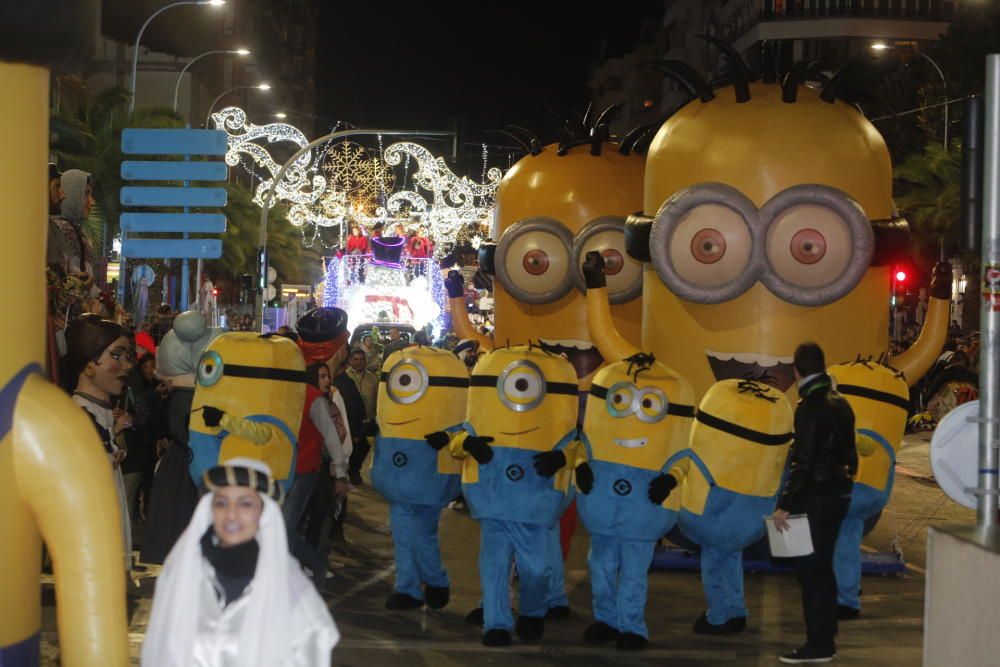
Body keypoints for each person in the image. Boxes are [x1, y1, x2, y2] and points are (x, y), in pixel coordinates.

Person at [142, 458, 340, 666]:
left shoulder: (291, 589)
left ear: (263, 513)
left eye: (245, 503)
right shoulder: (183, 575)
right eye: (221, 503)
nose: (231, 514)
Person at [774, 342, 856, 664]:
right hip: (839, 494)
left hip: (816, 499)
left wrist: (785, 503)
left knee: (811, 572)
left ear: (796, 371)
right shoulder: (841, 403)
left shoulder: (809, 407)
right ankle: (826, 636)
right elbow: (851, 454)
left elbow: (802, 462)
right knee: (823, 568)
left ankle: (819, 645)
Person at [65, 315, 134, 573]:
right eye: (116, 355)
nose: (126, 366)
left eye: (128, 356)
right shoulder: (77, 416)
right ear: (89, 364)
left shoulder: (100, 415)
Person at [345, 348, 378, 485]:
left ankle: (355, 470)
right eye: (356, 359)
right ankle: (349, 471)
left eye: (362, 359)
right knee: (351, 448)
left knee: (363, 449)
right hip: (351, 421)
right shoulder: (345, 377)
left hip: (368, 420)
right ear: (350, 360)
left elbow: (377, 398)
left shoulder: (372, 378)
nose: (359, 362)